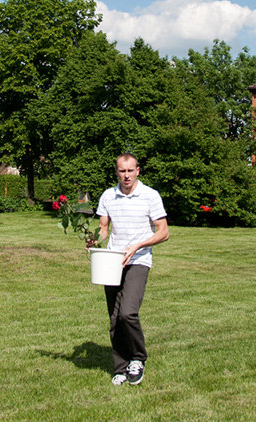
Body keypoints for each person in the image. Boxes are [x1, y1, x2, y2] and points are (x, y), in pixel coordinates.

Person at [87, 153, 169, 386]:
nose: (126, 175)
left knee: (127, 312)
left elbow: (164, 232)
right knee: (115, 317)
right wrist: (94, 240)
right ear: (117, 172)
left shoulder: (150, 196)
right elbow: (104, 228)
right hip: (112, 261)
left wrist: (138, 246)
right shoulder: (108, 196)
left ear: (137, 171)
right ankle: (120, 368)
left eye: (130, 170)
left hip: (139, 260)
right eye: (122, 171)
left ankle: (138, 358)